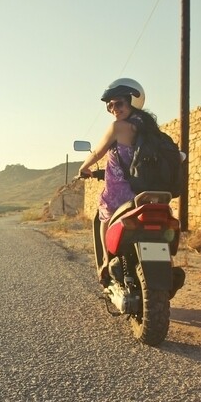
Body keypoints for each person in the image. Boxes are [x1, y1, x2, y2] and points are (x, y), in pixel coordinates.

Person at [78, 78, 161, 286]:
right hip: (148, 193)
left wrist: (84, 167)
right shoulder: (150, 129)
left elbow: (98, 151)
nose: (114, 109)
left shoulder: (118, 127)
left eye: (119, 103)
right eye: (110, 105)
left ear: (131, 102)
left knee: (104, 213)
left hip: (122, 195)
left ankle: (106, 262)